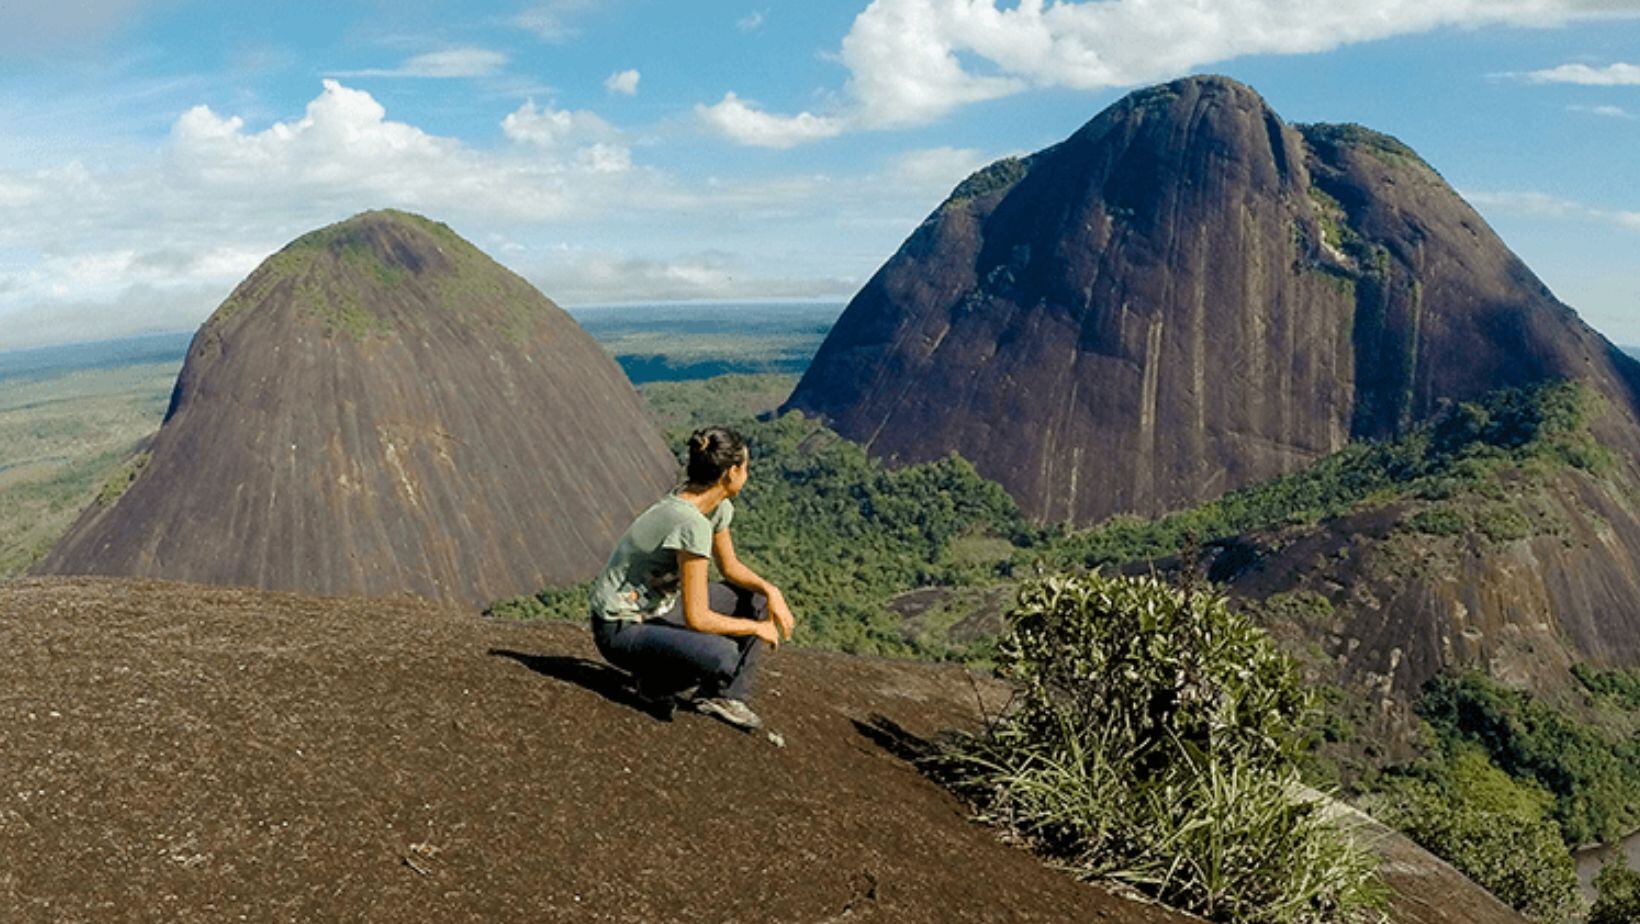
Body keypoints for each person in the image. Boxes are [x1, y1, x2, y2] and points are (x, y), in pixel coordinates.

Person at [588, 426, 794, 730]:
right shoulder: (689, 522)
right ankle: (654, 684)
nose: (747, 475)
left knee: (756, 599)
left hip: (658, 610)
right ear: (730, 472)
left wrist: (771, 590)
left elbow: (730, 567)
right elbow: (698, 617)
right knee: (724, 655)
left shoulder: (714, 506)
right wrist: (755, 628)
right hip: (622, 628)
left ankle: (723, 696)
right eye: (745, 468)